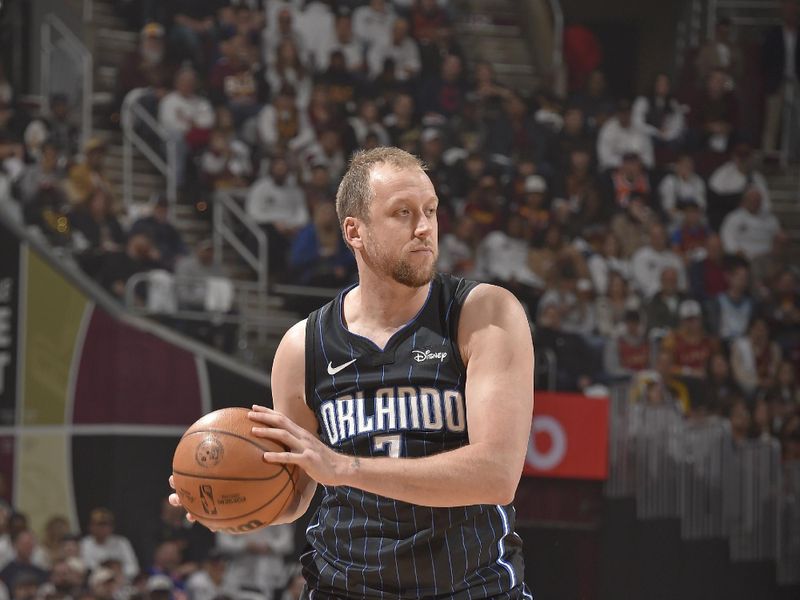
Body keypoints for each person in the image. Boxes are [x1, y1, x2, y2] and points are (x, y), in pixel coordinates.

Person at [170, 147, 535, 598]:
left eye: (431, 211)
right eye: (402, 213)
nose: (424, 228)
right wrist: (229, 498)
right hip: (344, 587)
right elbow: (297, 493)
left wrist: (346, 468)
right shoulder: (303, 346)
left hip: (472, 587)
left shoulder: (483, 313)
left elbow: (497, 474)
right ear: (354, 231)